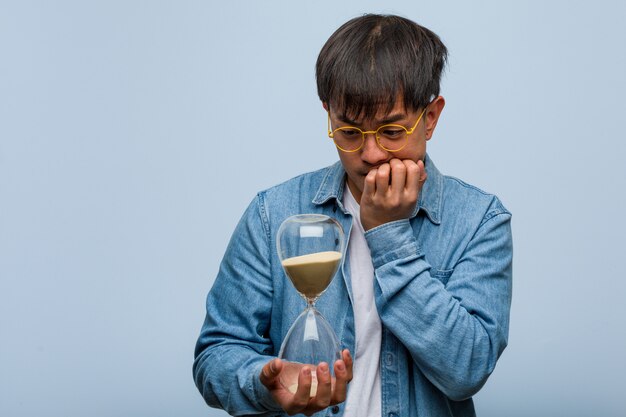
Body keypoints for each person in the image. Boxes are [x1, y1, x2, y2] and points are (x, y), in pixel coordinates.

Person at [193, 13, 512, 417]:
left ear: (430, 118)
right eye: (349, 132)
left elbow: (467, 370)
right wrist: (263, 381)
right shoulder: (272, 214)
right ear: (329, 114)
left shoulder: (479, 221)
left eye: (392, 132)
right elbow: (216, 353)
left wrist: (390, 234)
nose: (371, 153)